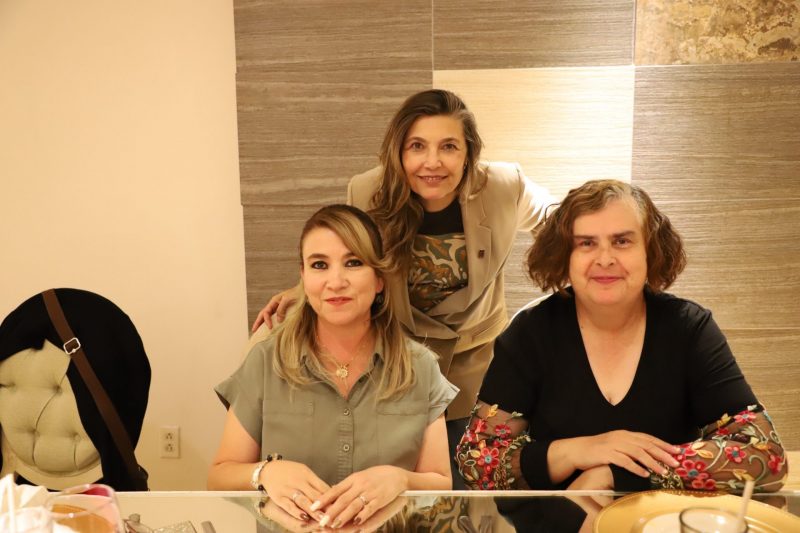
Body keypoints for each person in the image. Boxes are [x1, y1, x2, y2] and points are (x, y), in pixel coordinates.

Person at [251, 89, 554, 485]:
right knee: (400, 485)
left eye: (449, 147)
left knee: (471, 485)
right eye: (417, 146)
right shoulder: (367, 192)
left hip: (478, 361)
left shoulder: (503, 185)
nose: (433, 162)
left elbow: (558, 222)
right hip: (400, 364)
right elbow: (348, 251)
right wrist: (301, 290)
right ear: (398, 152)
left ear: (468, 153)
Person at [455, 179, 787, 499]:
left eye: (622, 241)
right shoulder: (530, 333)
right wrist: (577, 451)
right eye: (586, 243)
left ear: (651, 251)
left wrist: (618, 474)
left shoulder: (689, 328)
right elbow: (476, 462)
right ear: (563, 255)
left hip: (662, 523)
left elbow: (765, 455)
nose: (605, 259)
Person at [208, 205, 456, 529]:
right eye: (319, 265)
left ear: (379, 279)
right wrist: (265, 472)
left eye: (353, 263)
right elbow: (220, 476)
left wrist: (400, 479)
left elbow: (440, 482)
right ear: (303, 277)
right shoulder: (266, 361)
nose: (335, 282)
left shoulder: (420, 367)